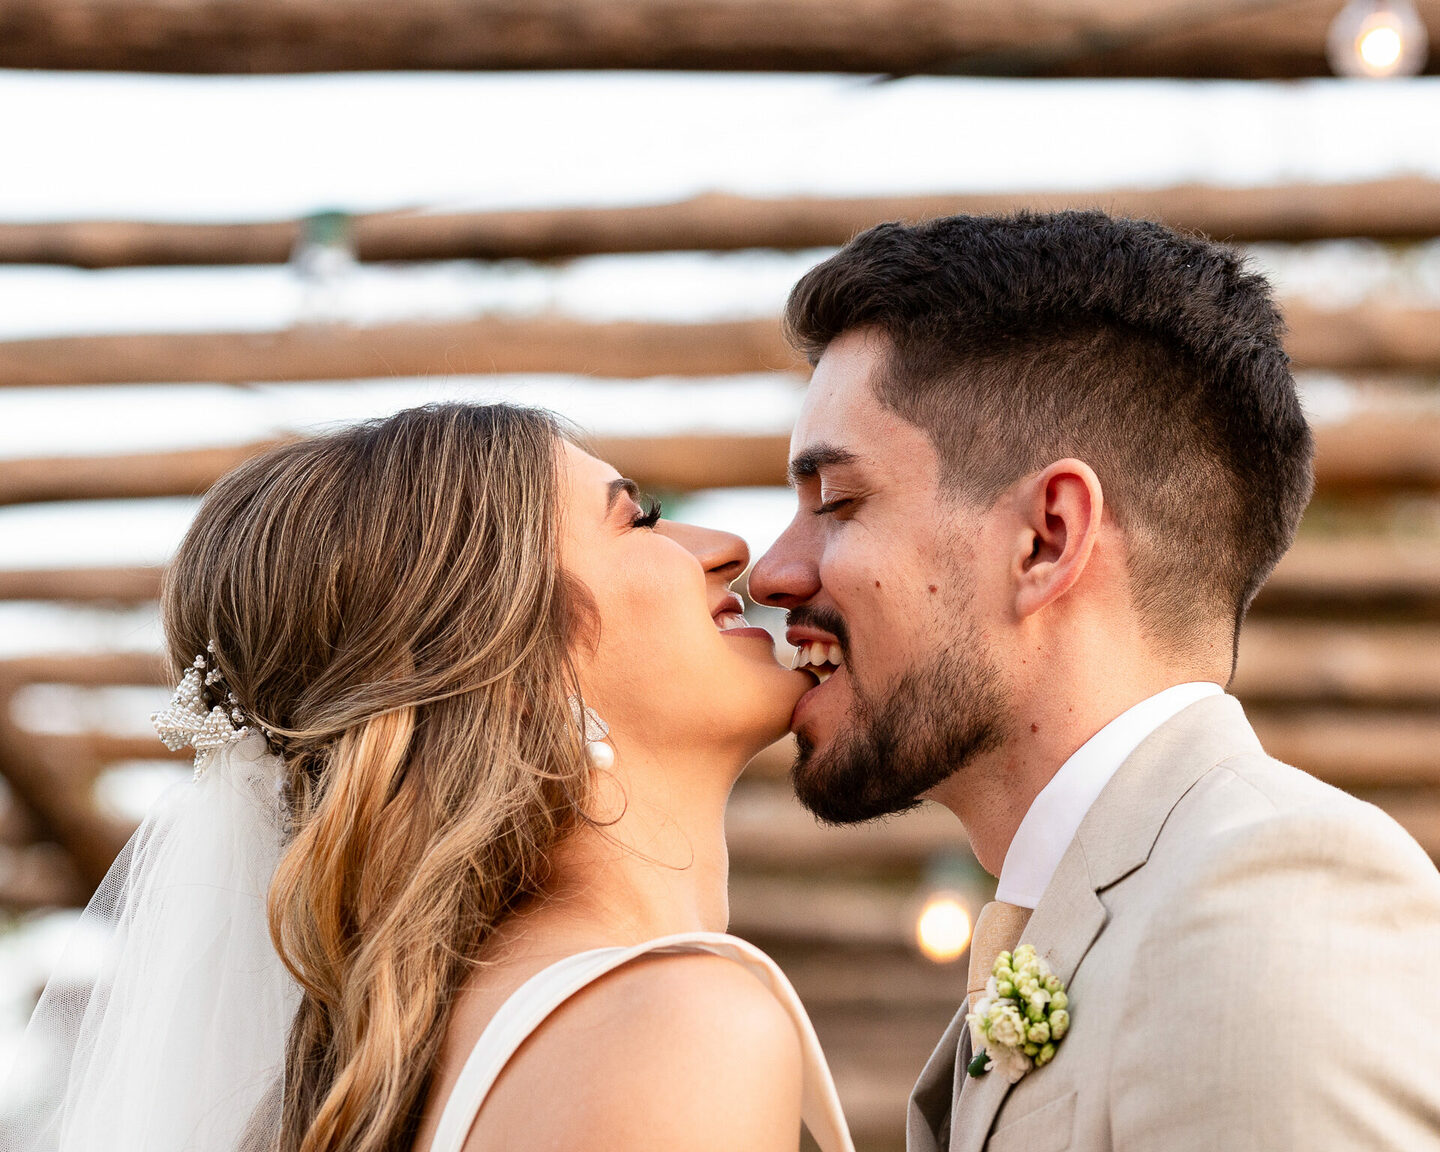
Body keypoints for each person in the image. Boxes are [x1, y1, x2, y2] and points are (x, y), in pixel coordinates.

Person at [749, 211, 1440, 1152]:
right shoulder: (1112, 910)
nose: (771, 573)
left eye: (837, 501)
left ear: (1047, 539)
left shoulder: (1263, 903)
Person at [11, 403, 855, 1152]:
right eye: (641, 521)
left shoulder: (417, 1069)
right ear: (505, 657)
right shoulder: (678, 1028)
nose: (730, 549)